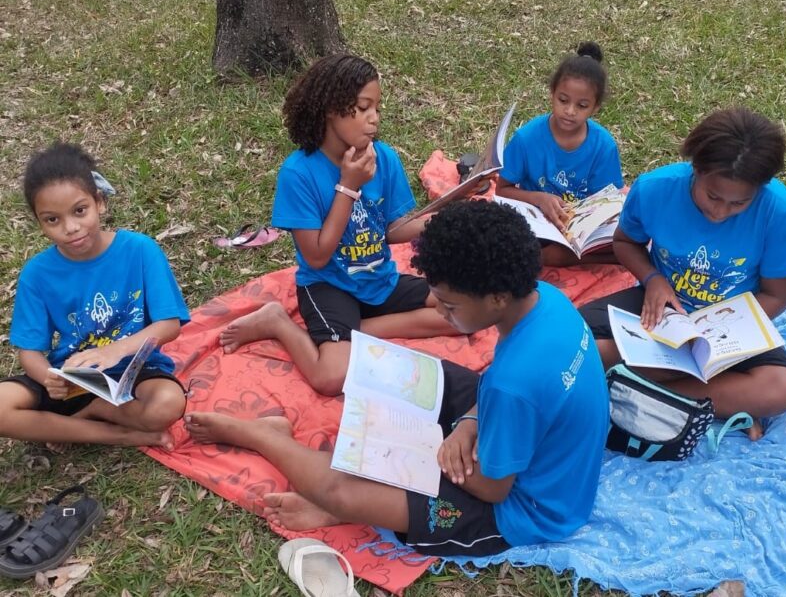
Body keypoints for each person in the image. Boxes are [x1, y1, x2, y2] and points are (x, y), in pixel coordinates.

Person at [186, 200, 609, 556]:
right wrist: (468, 422)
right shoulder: (544, 299)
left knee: (342, 490)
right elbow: (505, 388)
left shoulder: (514, 385)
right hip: (523, 434)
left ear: (496, 298)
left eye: (449, 306)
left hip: (522, 510)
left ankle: (268, 439)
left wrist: (430, 454)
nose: (438, 311)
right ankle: (375, 501)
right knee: (410, 375)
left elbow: (494, 487)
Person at [218, 54, 458, 397]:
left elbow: (393, 229)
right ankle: (276, 321)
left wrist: (446, 216)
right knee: (331, 377)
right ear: (332, 108)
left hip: (379, 278)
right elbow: (316, 257)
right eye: (363, 108)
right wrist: (348, 185)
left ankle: (357, 332)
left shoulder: (383, 158)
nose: (374, 118)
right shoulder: (299, 173)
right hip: (329, 285)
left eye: (377, 108)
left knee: (460, 313)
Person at [580, 107, 786, 440]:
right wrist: (653, 279)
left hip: (730, 329)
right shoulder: (655, 189)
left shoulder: (779, 212)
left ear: (760, 188)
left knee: (783, 388)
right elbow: (625, 242)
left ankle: (641, 390)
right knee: (573, 340)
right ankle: (716, 399)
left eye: (738, 204)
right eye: (712, 196)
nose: (719, 212)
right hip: (659, 309)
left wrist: (716, 331)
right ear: (696, 169)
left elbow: (776, 296)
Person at [0, 143, 189, 449]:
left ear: (99, 202)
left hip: (134, 373)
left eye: (79, 210)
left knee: (167, 404)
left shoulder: (140, 250)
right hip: (72, 379)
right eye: (52, 219)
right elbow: (29, 351)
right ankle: (119, 434)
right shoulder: (36, 274)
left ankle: (95, 412)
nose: (71, 228)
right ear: (39, 222)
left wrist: (114, 351)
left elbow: (169, 325)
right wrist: (49, 378)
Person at [496, 41, 624, 266]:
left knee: (628, 235)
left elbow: (607, 203)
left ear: (595, 108)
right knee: (501, 242)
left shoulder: (603, 146)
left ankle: (588, 254)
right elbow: (501, 189)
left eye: (582, 105)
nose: (570, 111)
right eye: (563, 100)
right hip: (535, 223)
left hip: (576, 230)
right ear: (552, 94)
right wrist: (539, 199)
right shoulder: (527, 138)